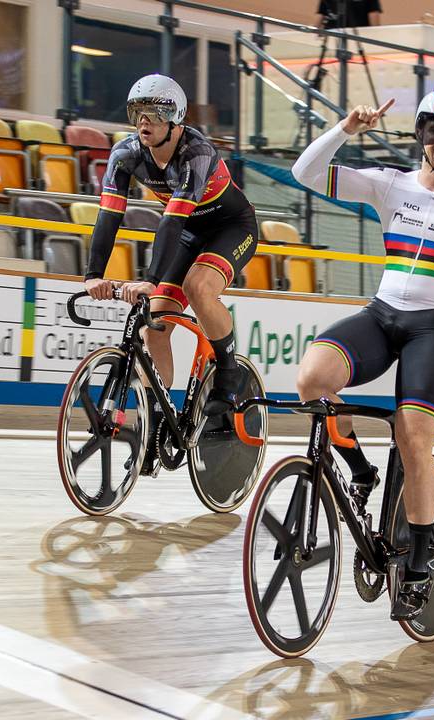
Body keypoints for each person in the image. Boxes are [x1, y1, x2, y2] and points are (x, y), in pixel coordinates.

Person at [292, 89, 434, 621]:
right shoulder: (389, 183)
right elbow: (305, 172)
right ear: (419, 133)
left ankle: (421, 552)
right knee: (312, 380)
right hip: (383, 314)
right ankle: (358, 468)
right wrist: (346, 128)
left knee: (413, 435)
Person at [83, 74, 260, 474]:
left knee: (199, 287)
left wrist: (149, 277)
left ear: (176, 117)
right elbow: (108, 216)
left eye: (154, 113)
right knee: (154, 326)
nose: (143, 121)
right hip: (189, 231)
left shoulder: (196, 152)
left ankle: (228, 374)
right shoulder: (125, 154)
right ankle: (159, 422)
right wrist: (93, 273)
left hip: (231, 228)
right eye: (136, 112)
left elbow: (171, 222)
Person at [317, 0, 382, 28]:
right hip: (333, 34)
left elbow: (373, 14)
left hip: (359, 35)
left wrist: (375, 34)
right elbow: (321, 14)